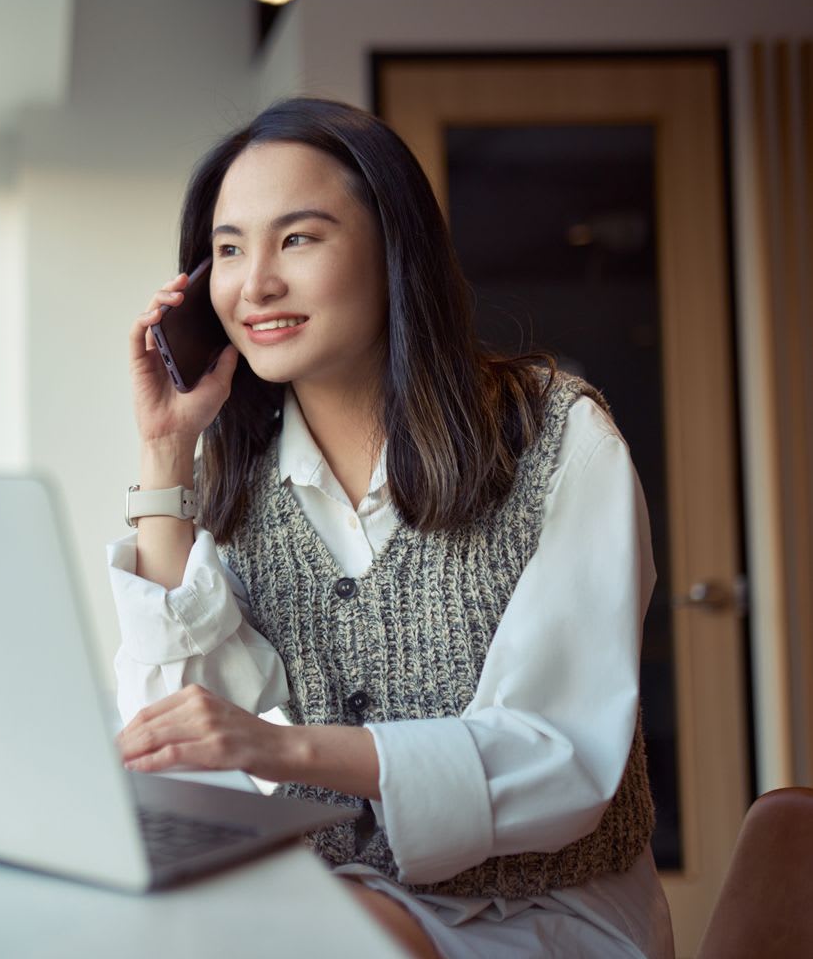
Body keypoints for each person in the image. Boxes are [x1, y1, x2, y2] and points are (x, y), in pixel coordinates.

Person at [108, 97, 674, 959]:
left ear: (392, 250)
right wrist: (165, 450)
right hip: (335, 900)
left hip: (544, 909)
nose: (254, 283)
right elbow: (188, 744)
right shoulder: (235, 475)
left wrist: (288, 748)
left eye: (297, 238)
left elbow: (560, 757)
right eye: (228, 249)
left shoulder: (558, 439)